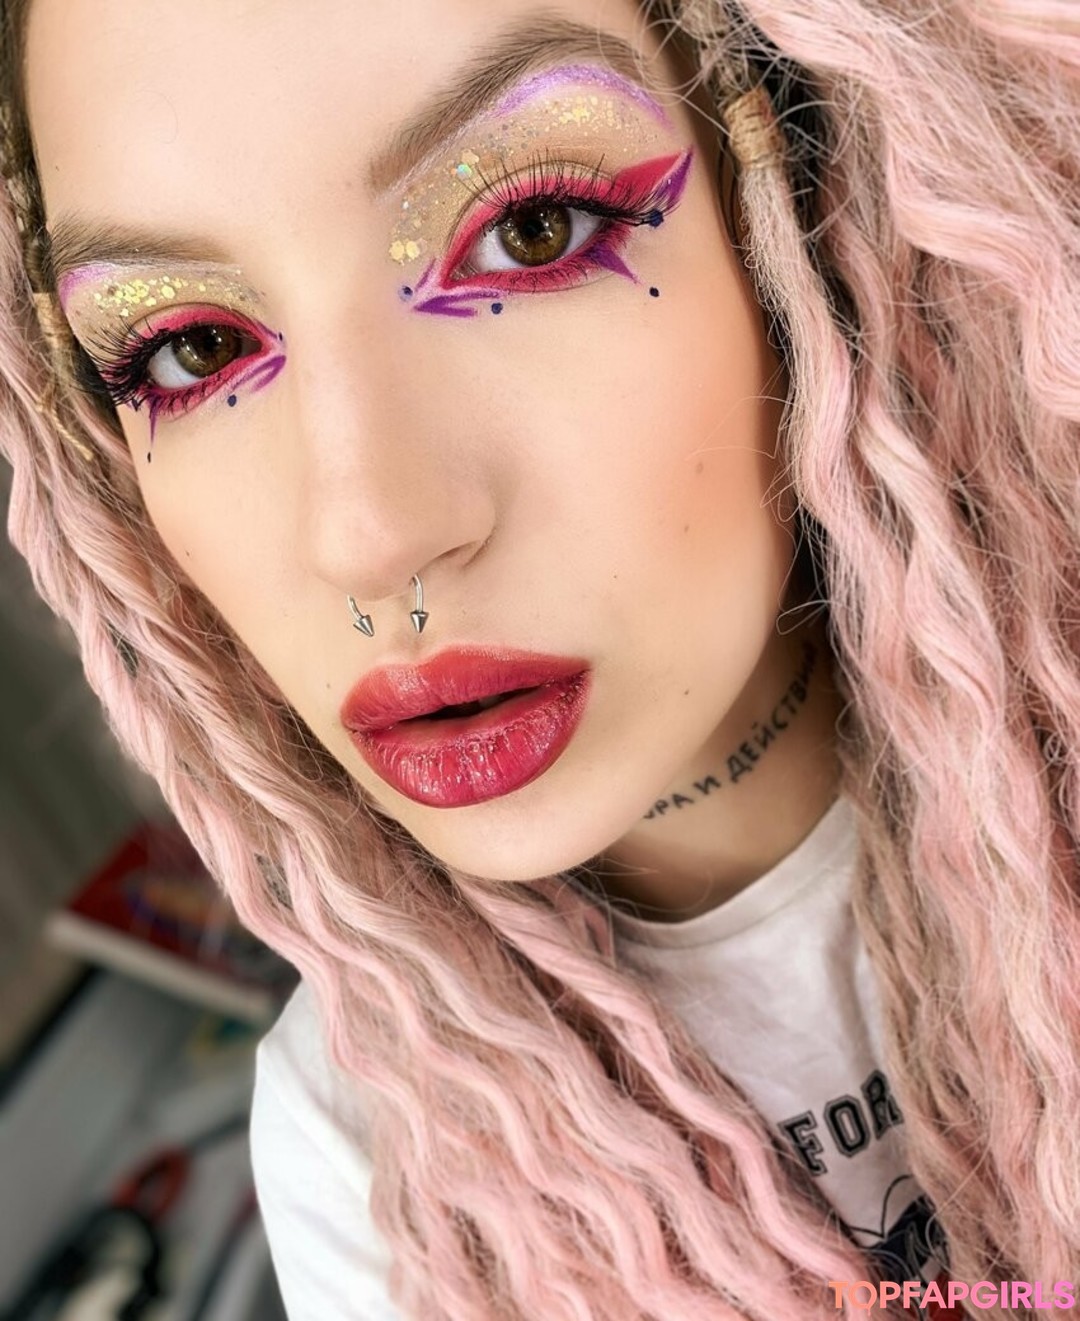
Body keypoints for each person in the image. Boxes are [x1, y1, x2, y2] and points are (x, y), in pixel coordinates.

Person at [1, 0, 1077, 1316]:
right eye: (192, 349)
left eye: (531, 228)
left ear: (796, 189)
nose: (369, 534)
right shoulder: (378, 1157)